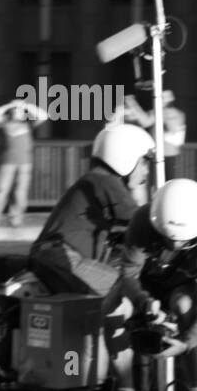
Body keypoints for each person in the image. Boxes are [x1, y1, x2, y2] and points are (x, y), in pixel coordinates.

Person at [94, 178, 197, 391]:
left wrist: (187, 343)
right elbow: (129, 274)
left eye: (183, 242)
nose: (174, 245)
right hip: (144, 284)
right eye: (167, 240)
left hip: (182, 285)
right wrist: (144, 301)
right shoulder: (142, 218)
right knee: (112, 307)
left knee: (186, 304)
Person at [29, 124, 154, 297]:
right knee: (123, 290)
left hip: (50, 256)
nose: (146, 172)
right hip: (62, 257)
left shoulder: (96, 180)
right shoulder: (106, 181)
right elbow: (144, 220)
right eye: (144, 163)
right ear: (126, 157)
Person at [0, 97, 49, 228]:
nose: (19, 111)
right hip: (7, 162)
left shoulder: (28, 124)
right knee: (1, 191)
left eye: (21, 111)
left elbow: (44, 115)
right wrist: (8, 105)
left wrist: (26, 106)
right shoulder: (4, 123)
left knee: (20, 192)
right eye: (16, 110)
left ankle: (16, 218)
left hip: (25, 163)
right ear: (11, 112)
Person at [129, 89, 184, 181]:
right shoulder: (177, 113)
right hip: (165, 154)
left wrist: (132, 104)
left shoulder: (164, 112)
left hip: (164, 155)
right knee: (164, 182)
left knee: (163, 182)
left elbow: (145, 122)